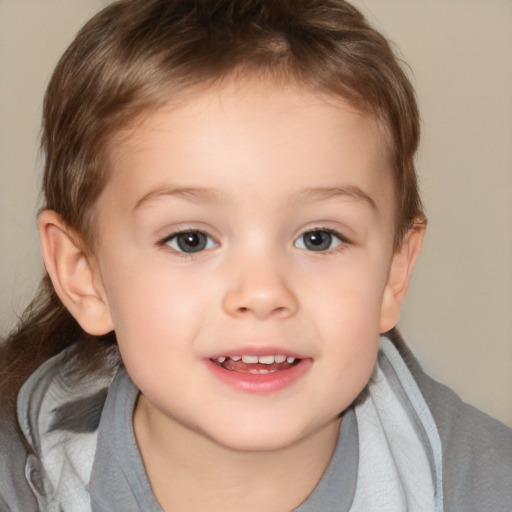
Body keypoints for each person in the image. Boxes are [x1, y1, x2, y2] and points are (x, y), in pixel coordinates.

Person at [0, 0, 511, 510]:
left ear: (393, 275)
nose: (263, 293)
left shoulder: (485, 485)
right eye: (190, 240)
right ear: (83, 275)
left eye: (319, 238)